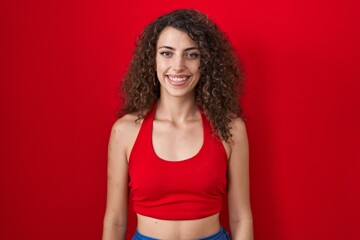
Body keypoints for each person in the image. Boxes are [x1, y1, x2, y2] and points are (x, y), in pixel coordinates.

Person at [102, 9, 253, 240]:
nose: (178, 65)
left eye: (191, 54)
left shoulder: (230, 128)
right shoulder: (125, 131)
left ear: (206, 62)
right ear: (152, 59)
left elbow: (241, 218)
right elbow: (115, 221)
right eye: (167, 53)